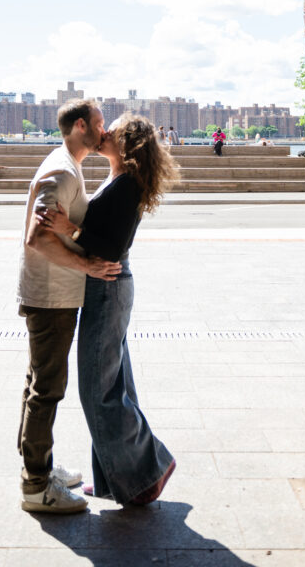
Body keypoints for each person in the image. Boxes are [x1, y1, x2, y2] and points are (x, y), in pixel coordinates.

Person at [36, 114, 180, 506]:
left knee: (97, 391)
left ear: (126, 143)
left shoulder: (126, 185)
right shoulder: (120, 181)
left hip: (109, 285)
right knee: (113, 385)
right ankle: (117, 481)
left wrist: (71, 230)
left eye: (111, 131)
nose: (104, 134)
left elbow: (113, 246)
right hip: (108, 287)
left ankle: (150, 467)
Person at [17, 99, 122, 515]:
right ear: (81, 126)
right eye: (99, 123)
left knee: (37, 386)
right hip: (50, 297)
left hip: (54, 295)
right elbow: (38, 238)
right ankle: (36, 487)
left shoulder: (68, 166)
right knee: (47, 389)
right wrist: (87, 266)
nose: (104, 130)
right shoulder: (61, 171)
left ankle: (36, 469)